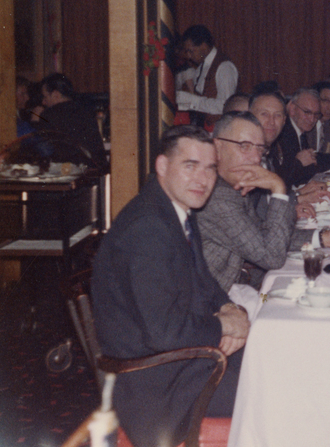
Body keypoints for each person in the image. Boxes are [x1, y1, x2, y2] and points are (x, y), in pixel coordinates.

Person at [91, 126, 249, 447]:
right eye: (190, 166)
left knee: (270, 356)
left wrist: (231, 309)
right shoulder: (149, 228)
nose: (202, 180)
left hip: (179, 364)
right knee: (273, 384)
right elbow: (164, 332)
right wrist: (222, 327)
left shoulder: (176, 211)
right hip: (157, 389)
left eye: (210, 169)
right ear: (162, 166)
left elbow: (204, 281)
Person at [198, 112, 330, 292]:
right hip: (218, 303)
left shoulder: (232, 185)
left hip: (245, 287)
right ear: (216, 147)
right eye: (244, 146)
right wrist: (278, 188)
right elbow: (272, 257)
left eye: (259, 149)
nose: (256, 158)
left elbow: (265, 238)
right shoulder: (217, 196)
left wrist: (322, 237)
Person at [273, 88, 330, 186]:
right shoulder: (283, 133)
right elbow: (284, 177)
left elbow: (315, 157)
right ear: (292, 109)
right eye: (307, 112)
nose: (312, 120)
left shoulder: (299, 130)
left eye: (316, 114)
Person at [32, 73, 107, 170]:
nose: (43, 102)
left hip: (69, 174)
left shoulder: (49, 114)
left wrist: (35, 120)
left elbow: (40, 148)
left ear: (56, 95)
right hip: (95, 171)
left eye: (45, 97)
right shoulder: (86, 110)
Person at [176, 25, 239, 129]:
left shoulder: (224, 67)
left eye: (191, 51)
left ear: (204, 47)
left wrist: (192, 100)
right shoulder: (201, 67)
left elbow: (225, 106)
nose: (188, 56)